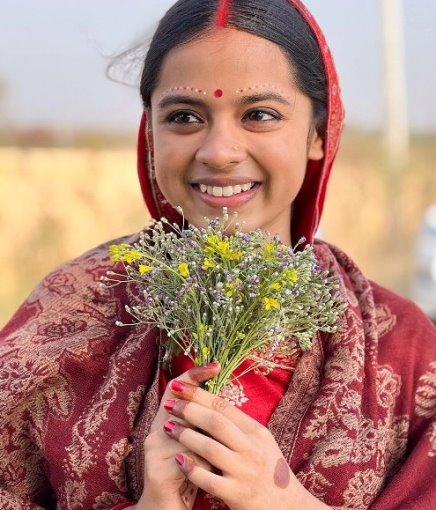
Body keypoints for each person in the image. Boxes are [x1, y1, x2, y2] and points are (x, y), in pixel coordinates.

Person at [0, 0, 435, 509]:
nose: (219, 151)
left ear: (319, 133)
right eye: (184, 116)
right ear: (151, 135)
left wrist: (288, 504)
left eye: (260, 115)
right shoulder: (69, 315)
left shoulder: (403, 352)